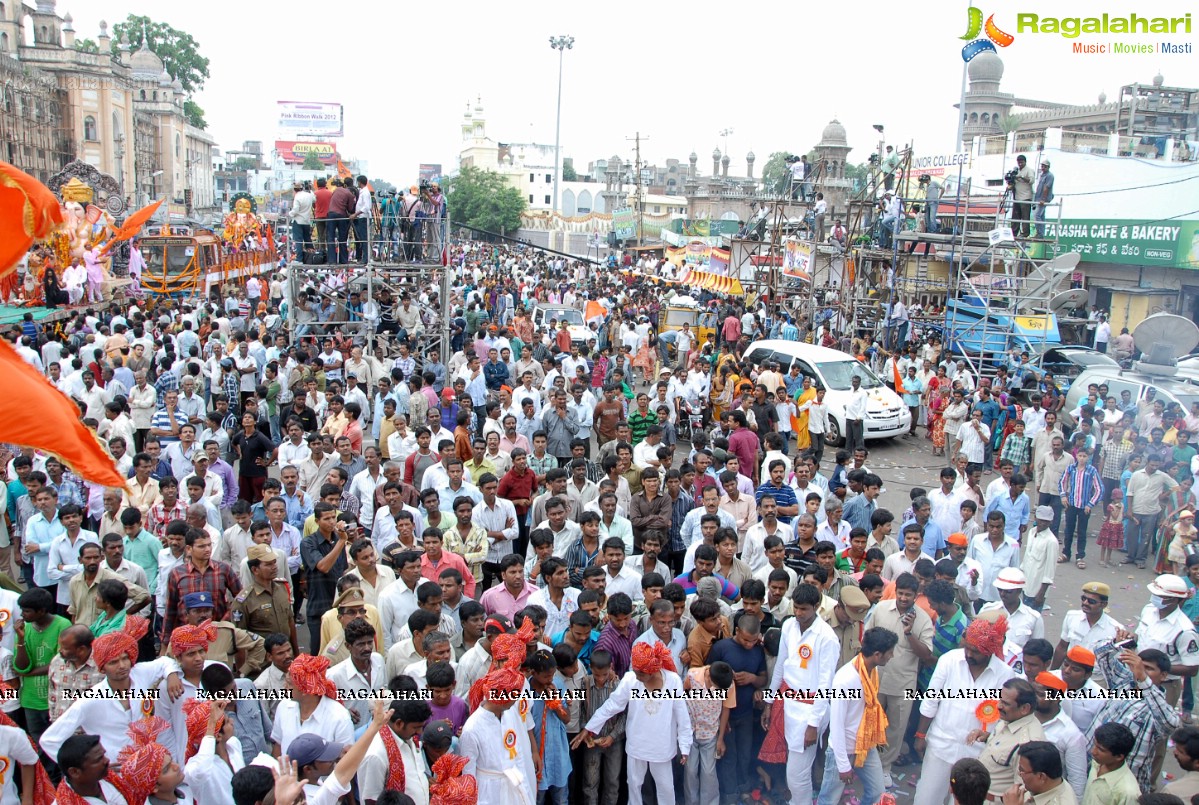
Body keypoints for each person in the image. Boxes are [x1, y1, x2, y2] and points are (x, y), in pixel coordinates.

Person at [572, 642, 693, 805]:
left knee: (665, 787)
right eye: (635, 671)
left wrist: (685, 745)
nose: (636, 676)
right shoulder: (630, 679)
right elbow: (611, 706)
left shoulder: (673, 681)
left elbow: (682, 716)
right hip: (636, 745)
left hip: (662, 746)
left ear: (651, 670)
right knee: (634, 785)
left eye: (640, 674)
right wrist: (589, 727)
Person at [816, 627, 899, 805]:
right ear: (877, 654)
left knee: (878, 793)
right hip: (843, 749)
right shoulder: (845, 680)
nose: (891, 657)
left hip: (865, 745)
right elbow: (836, 726)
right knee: (828, 800)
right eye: (890, 653)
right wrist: (844, 765)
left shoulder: (872, 670)